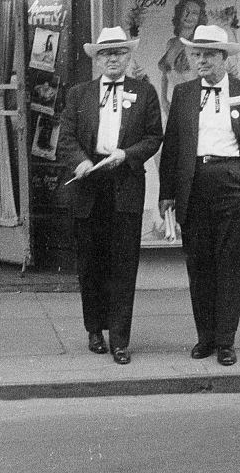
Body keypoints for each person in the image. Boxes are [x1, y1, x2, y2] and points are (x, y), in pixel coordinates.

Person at [158, 25, 240, 366]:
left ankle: (226, 340)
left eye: (208, 54)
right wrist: (167, 193)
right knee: (198, 263)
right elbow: (173, 146)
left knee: (230, 262)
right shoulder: (184, 94)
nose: (201, 61)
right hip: (194, 182)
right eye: (196, 54)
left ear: (224, 57)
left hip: (232, 180)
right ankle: (204, 337)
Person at [57, 26, 162, 365]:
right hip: (89, 186)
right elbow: (67, 138)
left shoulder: (144, 93)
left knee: (122, 264)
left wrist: (127, 154)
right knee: (90, 262)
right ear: (97, 59)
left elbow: (153, 137)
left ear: (128, 57)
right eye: (106, 53)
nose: (112, 58)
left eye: (119, 52)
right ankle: (94, 330)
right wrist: (82, 162)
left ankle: (119, 338)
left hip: (124, 185)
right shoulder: (79, 94)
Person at [158, 0, 206, 112]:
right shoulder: (171, 43)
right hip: (171, 104)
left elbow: (201, 79)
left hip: (192, 105)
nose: (189, 15)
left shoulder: (198, 45)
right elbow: (165, 76)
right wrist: (163, 100)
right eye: (186, 10)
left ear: (199, 18)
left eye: (194, 13)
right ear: (180, 13)